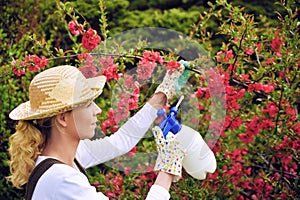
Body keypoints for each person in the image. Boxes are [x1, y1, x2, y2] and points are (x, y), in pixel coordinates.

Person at [7, 64, 186, 199]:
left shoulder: (70, 157)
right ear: (62, 119)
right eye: (88, 104)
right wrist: (168, 168)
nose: (98, 110)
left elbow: (120, 141)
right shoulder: (62, 179)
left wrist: (162, 94)